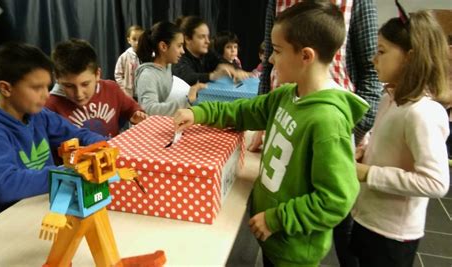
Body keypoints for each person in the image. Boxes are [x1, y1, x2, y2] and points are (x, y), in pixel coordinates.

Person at [173, 2, 368, 266]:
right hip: (273, 236)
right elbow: (243, 111)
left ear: (306, 56)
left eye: (277, 51)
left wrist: (277, 219)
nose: (271, 60)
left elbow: (336, 199)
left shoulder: (327, 121)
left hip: (294, 248)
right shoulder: (287, 94)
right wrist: (199, 113)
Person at [351, 7, 450, 267]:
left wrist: (368, 173)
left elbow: (435, 182)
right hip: (368, 220)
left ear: (409, 57)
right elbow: (391, 147)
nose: (373, 59)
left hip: (392, 236)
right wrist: (366, 152)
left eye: (381, 51)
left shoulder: (423, 113)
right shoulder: (390, 98)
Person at [0, 42, 105, 216]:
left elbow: (78, 135)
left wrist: (107, 146)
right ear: (6, 88)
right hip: (13, 219)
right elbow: (4, 185)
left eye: (48, 86)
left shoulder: (39, 114)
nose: (46, 95)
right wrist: (71, 172)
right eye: (37, 88)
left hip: (47, 205)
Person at [46, 39, 146, 138]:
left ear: (97, 74)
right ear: (56, 78)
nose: (79, 94)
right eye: (69, 86)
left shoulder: (111, 89)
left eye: (85, 84)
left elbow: (131, 108)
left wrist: (135, 114)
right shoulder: (49, 106)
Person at [134, 21, 206, 116]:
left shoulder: (167, 66)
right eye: (179, 46)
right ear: (163, 46)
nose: (183, 51)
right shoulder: (147, 76)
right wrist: (187, 100)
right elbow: (149, 110)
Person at [172, 16, 247, 86]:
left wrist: (236, 71)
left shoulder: (207, 54)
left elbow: (222, 62)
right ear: (188, 39)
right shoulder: (179, 57)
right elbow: (187, 77)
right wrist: (213, 76)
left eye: (208, 36)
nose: (207, 41)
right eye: (202, 37)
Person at [114, 25, 144, 98]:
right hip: (129, 93)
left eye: (140, 39)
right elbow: (118, 74)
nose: (137, 42)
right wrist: (124, 87)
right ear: (129, 40)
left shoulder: (148, 56)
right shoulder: (124, 57)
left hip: (143, 92)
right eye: (134, 39)